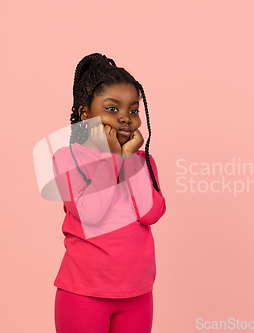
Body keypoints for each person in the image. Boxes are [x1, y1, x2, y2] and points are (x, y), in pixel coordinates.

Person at [52, 53, 167, 333]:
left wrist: (127, 160)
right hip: (84, 293)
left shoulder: (141, 161)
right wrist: (112, 157)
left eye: (133, 110)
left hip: (138, 293)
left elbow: (151, 213)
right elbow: (91, 213)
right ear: (84, 115)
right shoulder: (68, 158)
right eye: (112, 109)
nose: (125, 119)